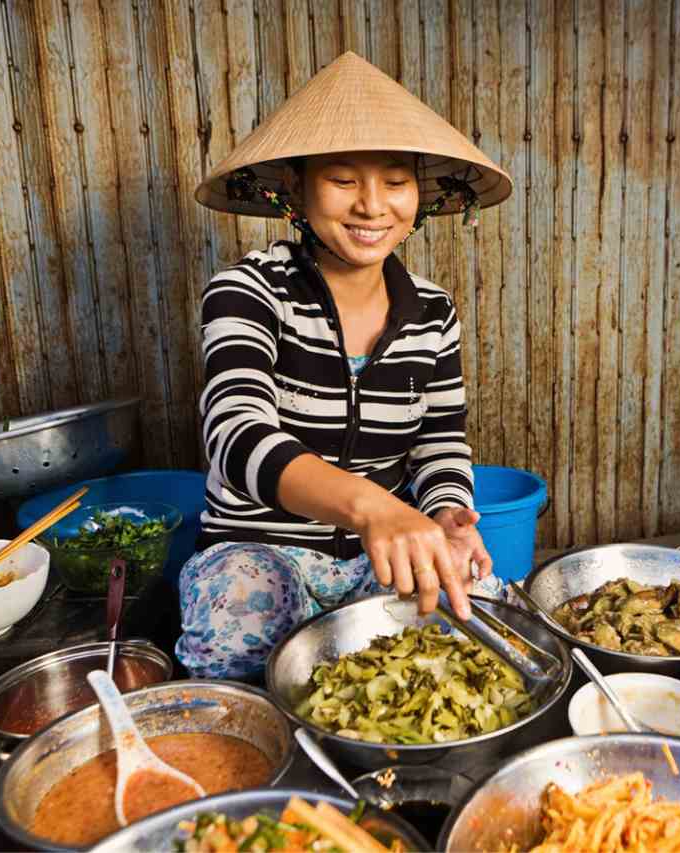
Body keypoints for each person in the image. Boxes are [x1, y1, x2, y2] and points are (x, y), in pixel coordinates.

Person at [177, 52, 513, 678]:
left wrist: (444, 516)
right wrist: (373, 508)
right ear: (297, 189)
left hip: (375, 556)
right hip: (258, 549)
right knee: (245, 626)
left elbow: (440, 441)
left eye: (394, 180)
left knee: (479, 623)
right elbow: (235, 434)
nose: (371, 206)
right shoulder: (247, 290)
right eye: (341, 180)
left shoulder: (434, 311)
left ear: (419, 194)